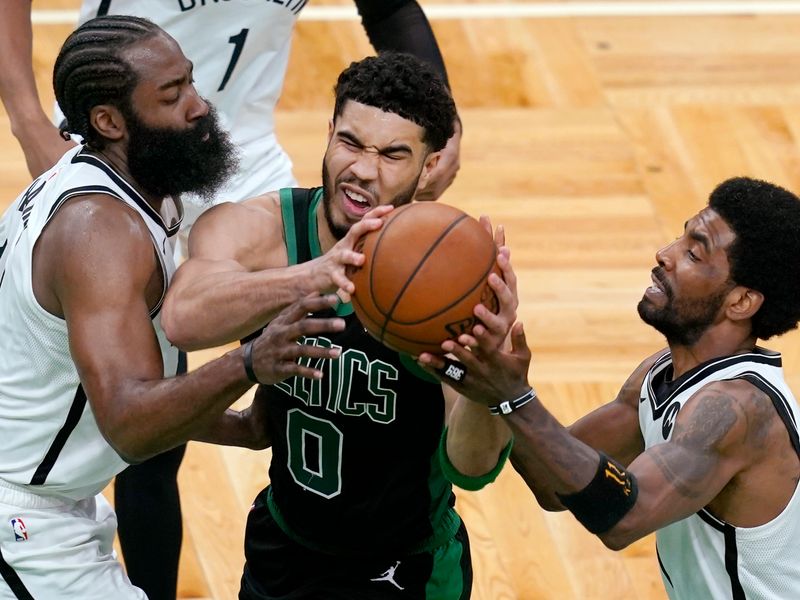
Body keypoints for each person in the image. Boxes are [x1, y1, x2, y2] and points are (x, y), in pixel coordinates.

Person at [0, 3, 461, 596]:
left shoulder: (124, 191)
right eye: (174, 96)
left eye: (191, 81)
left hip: (55, 497)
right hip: (22, 514)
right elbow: (130, 426)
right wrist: (248, 362)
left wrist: (240, 428)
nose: (201, 106)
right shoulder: (100, 231)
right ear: (112, 122)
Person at [162, 52, 513, 598]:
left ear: (429, 166)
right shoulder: (256, 231)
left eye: (394, 154)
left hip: (406, 568)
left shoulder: (452, 284)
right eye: (350, 142)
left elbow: (471, 469)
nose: (363, 170)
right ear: (327, 133)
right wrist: (315, 276)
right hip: (282, 546)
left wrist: (488, 382)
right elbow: (183, 318)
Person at [421, 177, 800, 599]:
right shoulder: (660, 374)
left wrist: (514, 397)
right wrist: (489, 379)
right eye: (681, 236)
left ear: (742, 303)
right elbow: (554, 485)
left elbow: (623, 517)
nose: (666, 254)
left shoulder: (736, 411)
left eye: (693, 252)